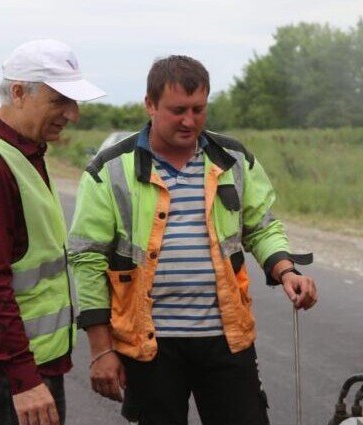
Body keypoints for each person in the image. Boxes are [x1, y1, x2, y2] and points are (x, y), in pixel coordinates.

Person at [68, 55, 318, 425]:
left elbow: (261, 226)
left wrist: (285, 270)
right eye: (178, 110)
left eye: (198, 109)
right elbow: (87, 260)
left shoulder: (233, 159)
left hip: (226, 339)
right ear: (150, 104)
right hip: (150, 347)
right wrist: (100, 350)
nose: (190, 121)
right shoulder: (110, 171)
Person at [0, 39, 105, 425]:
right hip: (5, 374)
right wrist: (23, 379)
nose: (73, 114)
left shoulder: (24, 151)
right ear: (18, 93)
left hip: (22, 365)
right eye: (61, 100)